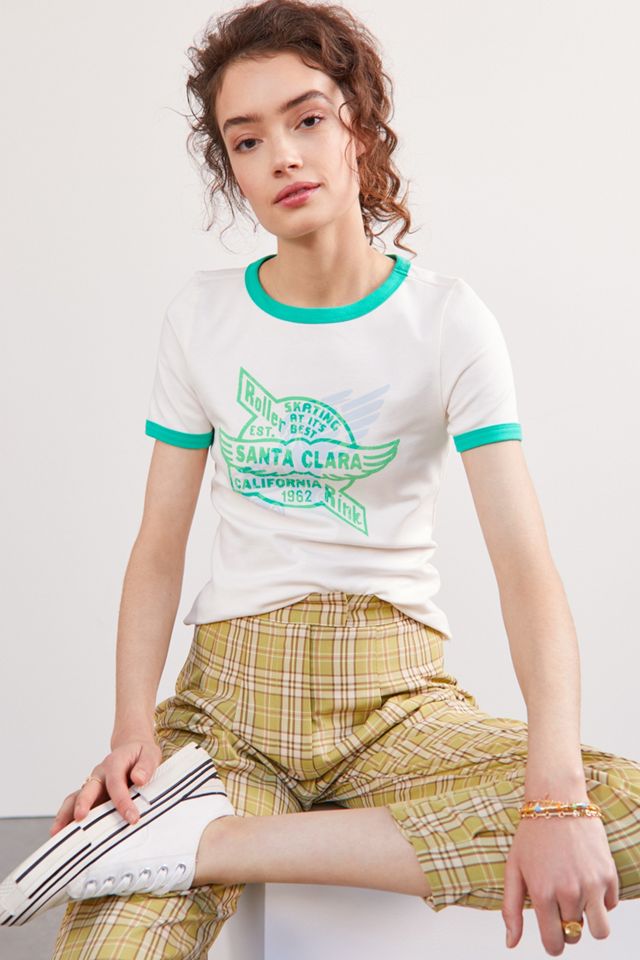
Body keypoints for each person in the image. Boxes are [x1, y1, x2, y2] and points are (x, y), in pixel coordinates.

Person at [1, 1, 638, 956]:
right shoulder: (202, 318)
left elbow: (524, 564)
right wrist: (134, 729)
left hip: (396, 706)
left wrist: (554, 798)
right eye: (247, 140)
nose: (283, 157)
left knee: (612, 806)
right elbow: (158, 545)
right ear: (231, 169)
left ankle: (211, 844)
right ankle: (176, 830)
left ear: (360, 128)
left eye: (307, 119)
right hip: (228, 709)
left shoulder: (447, 321)